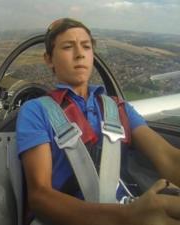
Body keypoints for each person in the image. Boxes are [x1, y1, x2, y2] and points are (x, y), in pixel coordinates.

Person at [16, 18, 180, 225]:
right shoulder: (36, 110)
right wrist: (128, 216)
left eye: (86, 46)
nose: (80, 54)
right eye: (68, 47)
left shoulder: (118, 107)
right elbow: (40, 196)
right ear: (49, 59)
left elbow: (168, 158)